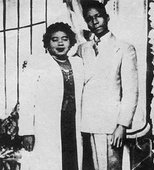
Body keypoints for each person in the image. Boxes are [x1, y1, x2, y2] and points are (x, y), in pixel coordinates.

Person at [78, 1, 139, 170]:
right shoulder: (82, 49)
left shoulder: (124, 49)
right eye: (89, 19)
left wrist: (122, 125)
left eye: (98, 17)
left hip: (110, 125)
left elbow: (131, 91)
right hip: (85, 124)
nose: (94, 22)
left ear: (107, 17)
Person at [23, 22, 84, 170]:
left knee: (71, 163)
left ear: (70, 42)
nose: (60, 43)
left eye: (64, 38)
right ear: (47, 43)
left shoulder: (78, 63)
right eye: (54, 39)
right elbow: (26, 99)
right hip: (46, 126)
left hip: (73, 124)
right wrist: (27, 132)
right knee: (49, 163)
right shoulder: (36, 63)